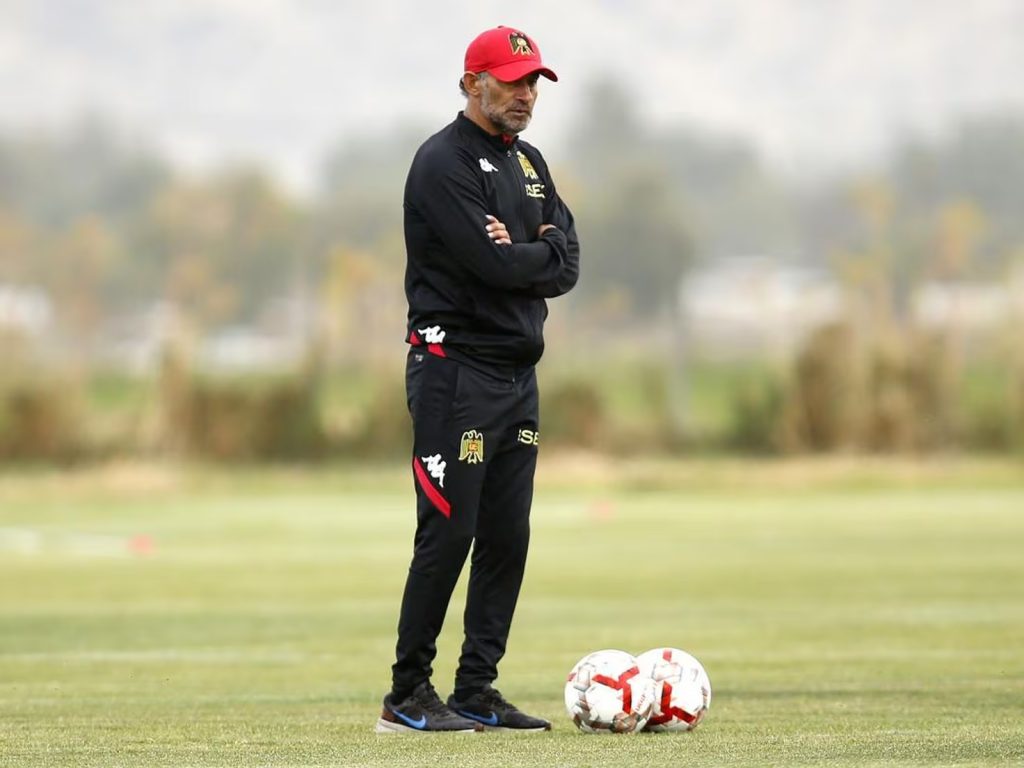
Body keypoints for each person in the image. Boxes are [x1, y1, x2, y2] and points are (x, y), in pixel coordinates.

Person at [375, 25, 580, 734]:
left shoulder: (529, 164)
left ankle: (476, 690)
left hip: (516, 376)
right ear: (472, 83)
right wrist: (537, 251)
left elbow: (570, 262)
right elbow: (491, 268)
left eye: (533, 82)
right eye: (512, 80)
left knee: (507, 535)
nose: (525, 94)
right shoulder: (442, 165)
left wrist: (527, 246)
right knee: (448, 532)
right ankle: (406, 696)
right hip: (453, 371)